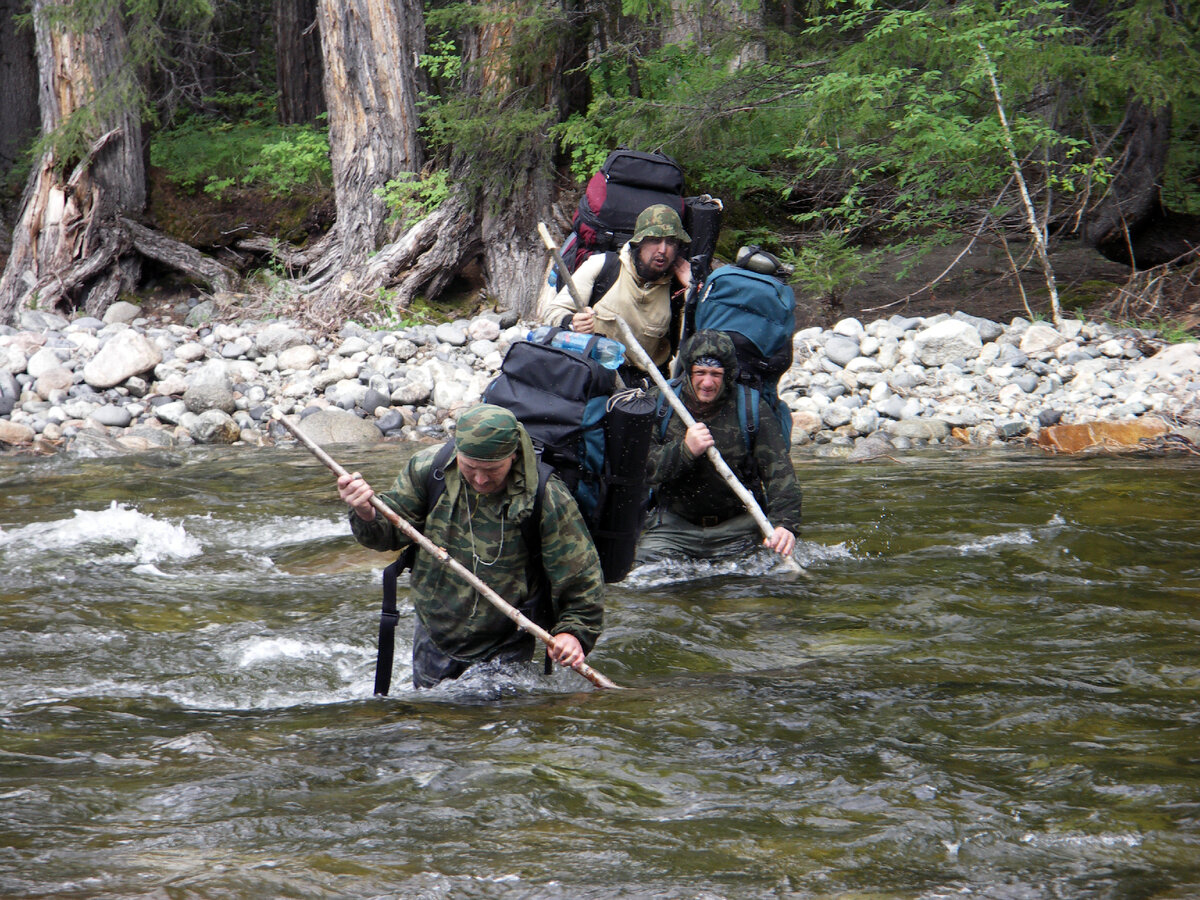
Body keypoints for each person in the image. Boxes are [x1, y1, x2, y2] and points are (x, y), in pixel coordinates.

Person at [337, 404, 605, 689]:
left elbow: (580, 574)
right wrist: (366, 512)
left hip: (506, 638)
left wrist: (573, 633)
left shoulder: (545, 495)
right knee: (435, 722)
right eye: (470, 467)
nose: (480, 479)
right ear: (457, 453)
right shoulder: (429, 470)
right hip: (435, 629)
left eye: (492, 469)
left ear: (513, 456)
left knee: (495, 724)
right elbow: (386, 536)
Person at [637, 330, 802, 563]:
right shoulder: (660, 402)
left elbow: (780, 475)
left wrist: (785, 524)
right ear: (688, 372)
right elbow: (642, 470)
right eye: (700, 373)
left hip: (739, 528)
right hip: (674, 529)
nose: (707, 382)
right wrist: (684, 451)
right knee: (638, 574)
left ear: (728, 374)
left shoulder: (752, 408)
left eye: (716, 374)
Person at [541, 203, 692, 379]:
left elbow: (691, 348)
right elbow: (552, 312)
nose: (662, 250)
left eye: (671, 242)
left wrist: (692, 289)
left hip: (642, 385)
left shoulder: (678, 290)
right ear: (639, 242)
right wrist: (572, 322)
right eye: (654, 240)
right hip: (589, 370)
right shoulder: (603, 266)